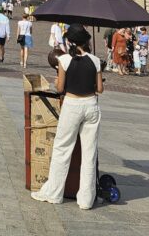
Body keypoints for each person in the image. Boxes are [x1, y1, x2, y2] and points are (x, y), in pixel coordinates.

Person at [31, 24, 103, 209]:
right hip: (91, 105)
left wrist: (57, 81)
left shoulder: (64, 60)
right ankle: (86, 200)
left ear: (69, 41)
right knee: (90, 152)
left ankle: (54, 193)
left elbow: (60, 88)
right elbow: (100, 89)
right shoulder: (95, 60)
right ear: (86, 41)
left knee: (62, 149)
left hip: (72, 105)